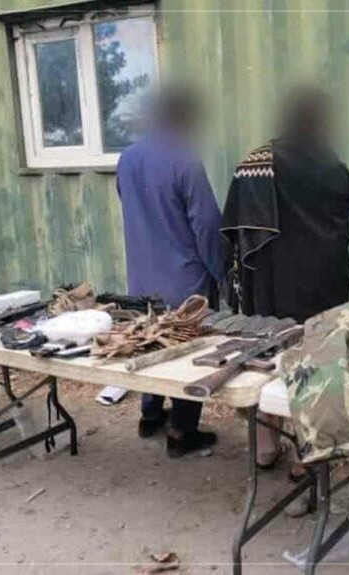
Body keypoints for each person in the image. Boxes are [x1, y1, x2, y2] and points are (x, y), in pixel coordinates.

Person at [220, 86, 349, 473]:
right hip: (325, 284)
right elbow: (342, 230)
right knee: (314, 363)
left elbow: (235, 230)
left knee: (267, 358)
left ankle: (265, 448)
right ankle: (305, 457)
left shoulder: (258, 162)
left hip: (271, 284)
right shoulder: (336, 169)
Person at [116, 86, 223, 458]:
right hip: (184, 279)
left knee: (150, 339)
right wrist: (221, 271)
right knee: (186, 351)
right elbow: (207, 226)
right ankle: (181, 431)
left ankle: (149, 416)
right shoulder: (185, 160)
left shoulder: (127, 159)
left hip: (141, 276)